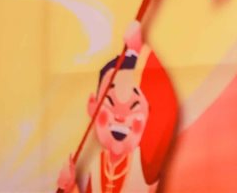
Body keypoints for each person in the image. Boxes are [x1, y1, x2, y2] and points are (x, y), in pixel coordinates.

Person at [56, 21, 178, 193]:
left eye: (134, 107)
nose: (120, 116)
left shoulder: (144, 162)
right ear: (93, 106)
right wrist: (70, 187)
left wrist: (138, 49)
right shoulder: (98, 165)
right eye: (110, 103)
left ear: (149, 116)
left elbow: (166, 107)